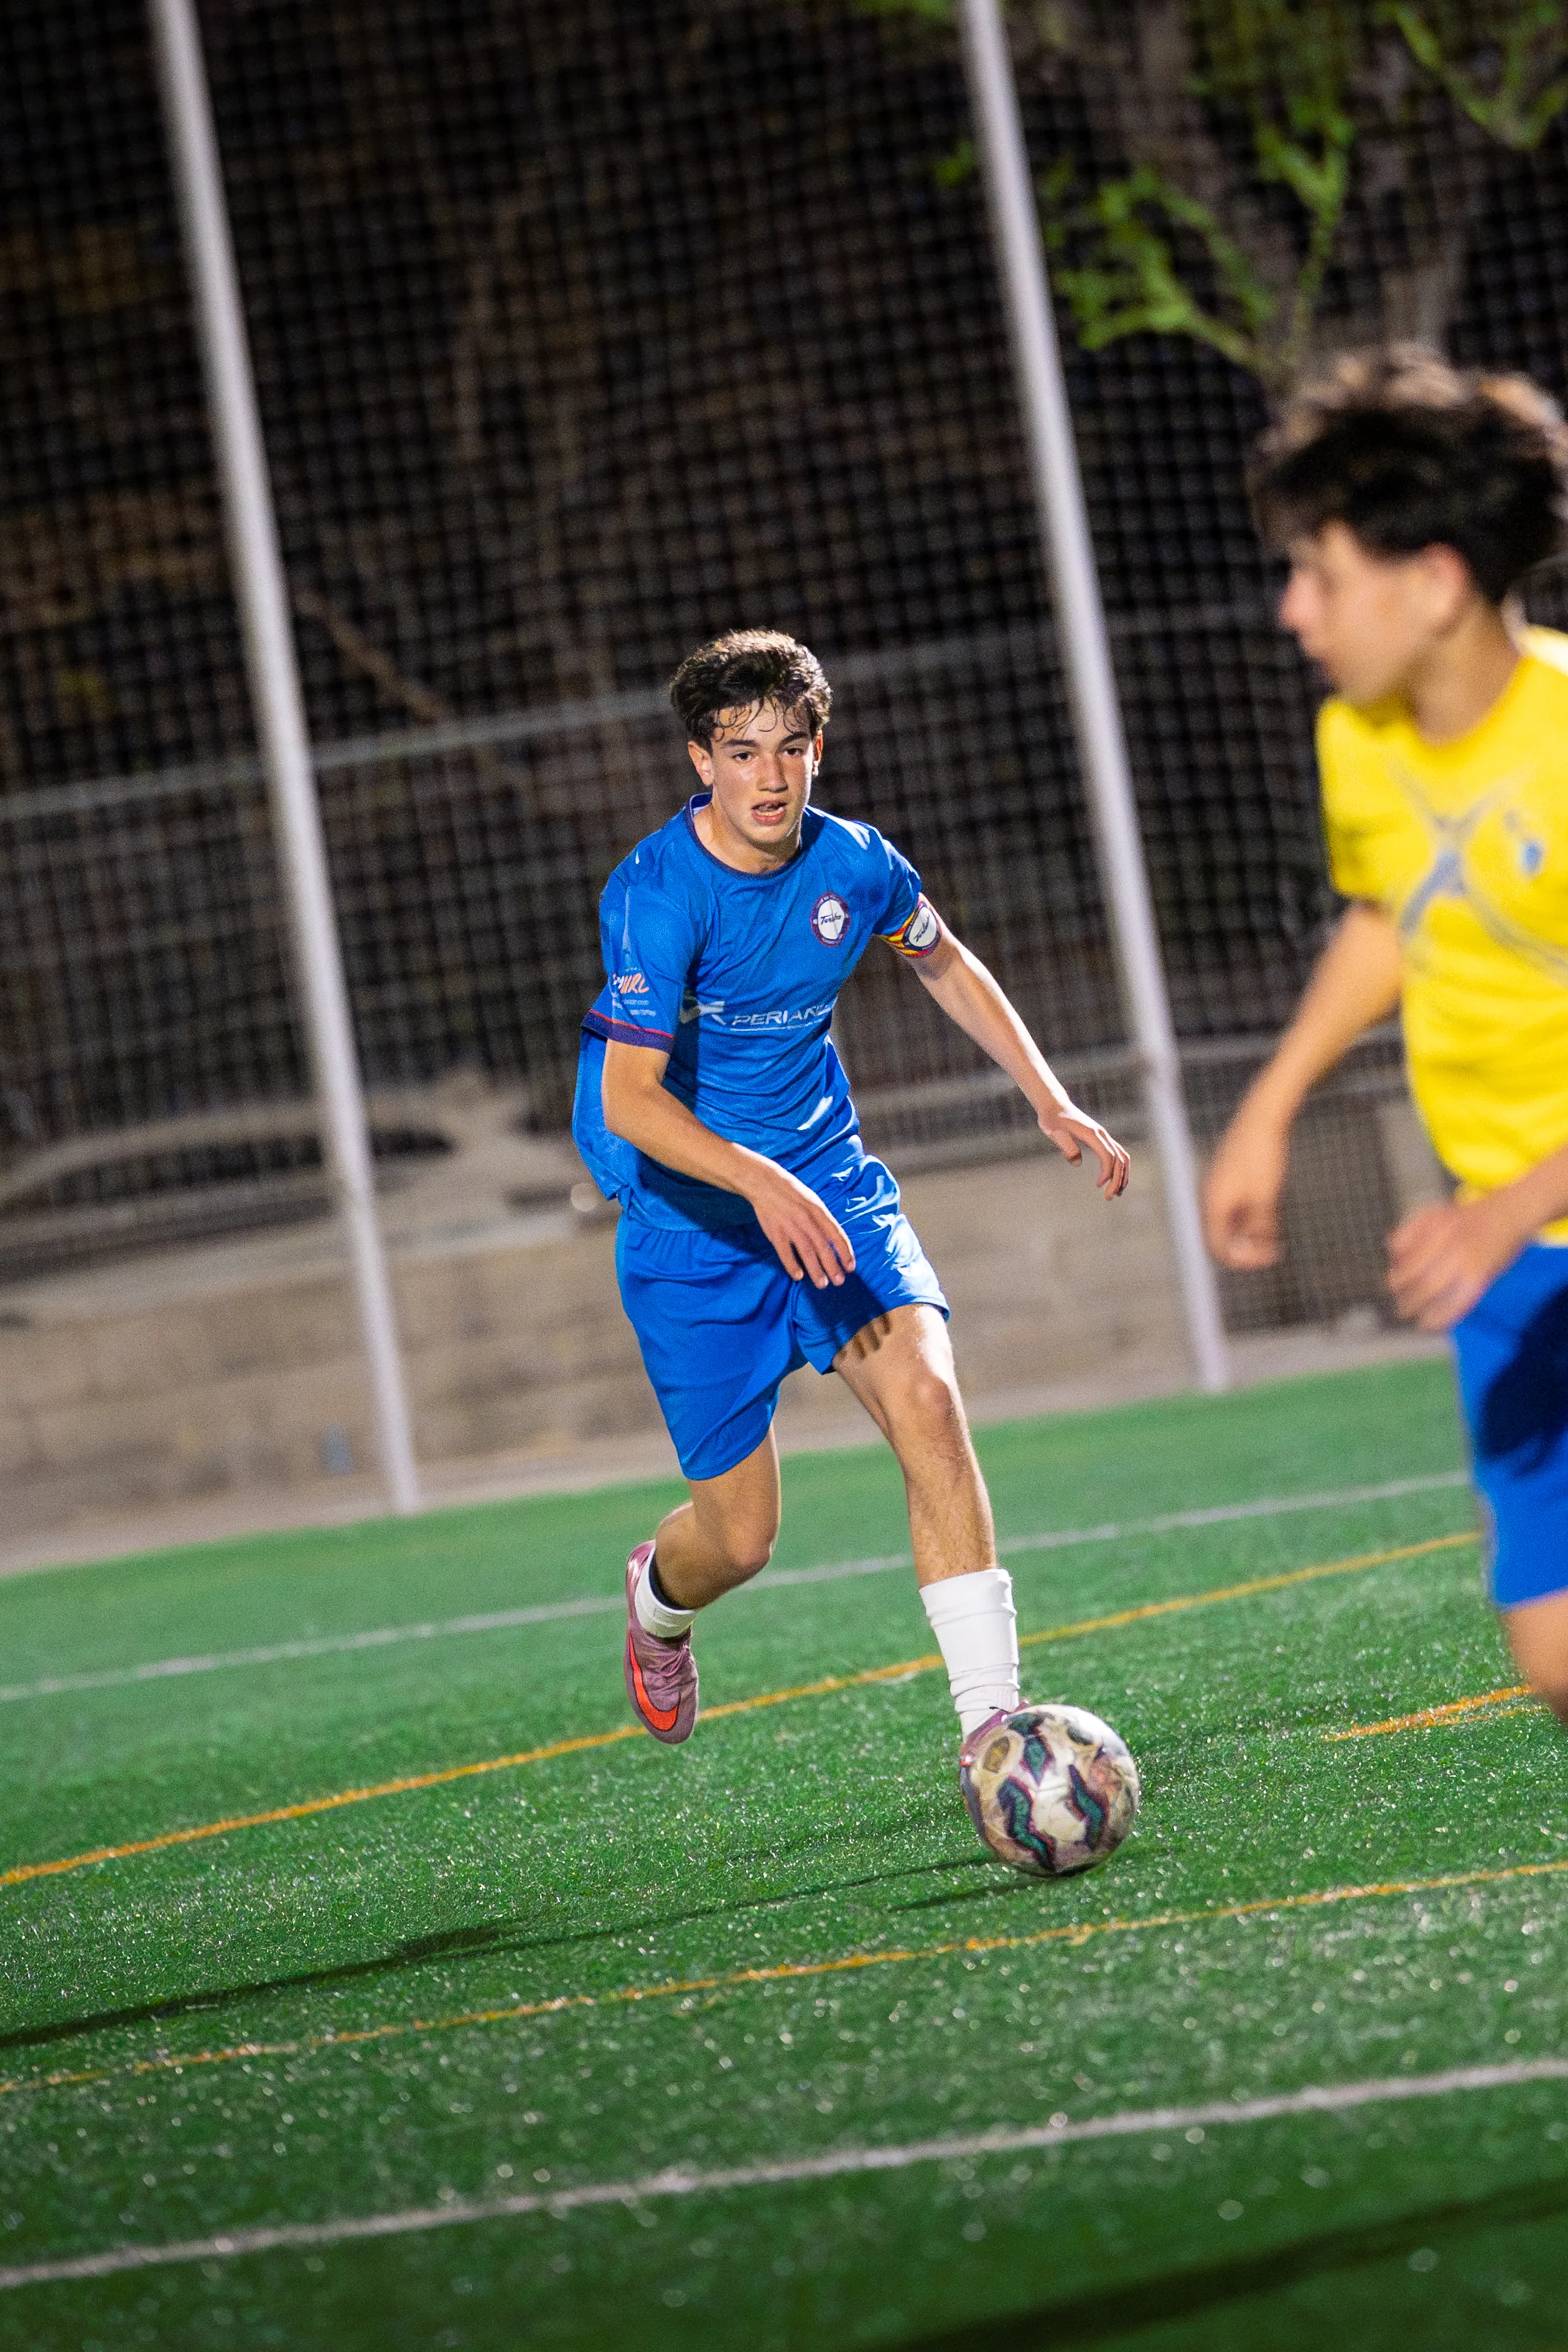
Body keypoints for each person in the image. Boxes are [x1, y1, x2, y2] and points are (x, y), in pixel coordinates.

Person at [572, 627, 1129, 1793]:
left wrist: (1050, 1097)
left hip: (828, 1192)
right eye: (740, 751)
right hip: (693, 1227)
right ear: (700, 761)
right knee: (740, 1541)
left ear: (819, 748)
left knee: (928, 1398)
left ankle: (994, 1730)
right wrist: (754, 1179)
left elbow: (944, 961)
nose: (769, 777)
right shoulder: (658, 892)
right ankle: (656, 1603)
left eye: (789, 747)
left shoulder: (856, 864)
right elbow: (627, 1099)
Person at [1204, 345, 1568, 1714]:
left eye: (1324, 576)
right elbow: (1388, 920)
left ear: (1434, 582)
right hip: (1514, 1258)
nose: (1295, 611)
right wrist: (1270, 1104)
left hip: (1519, 1222)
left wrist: (1506, 1209)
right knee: (1553, 1659)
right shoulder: (1361, 739)